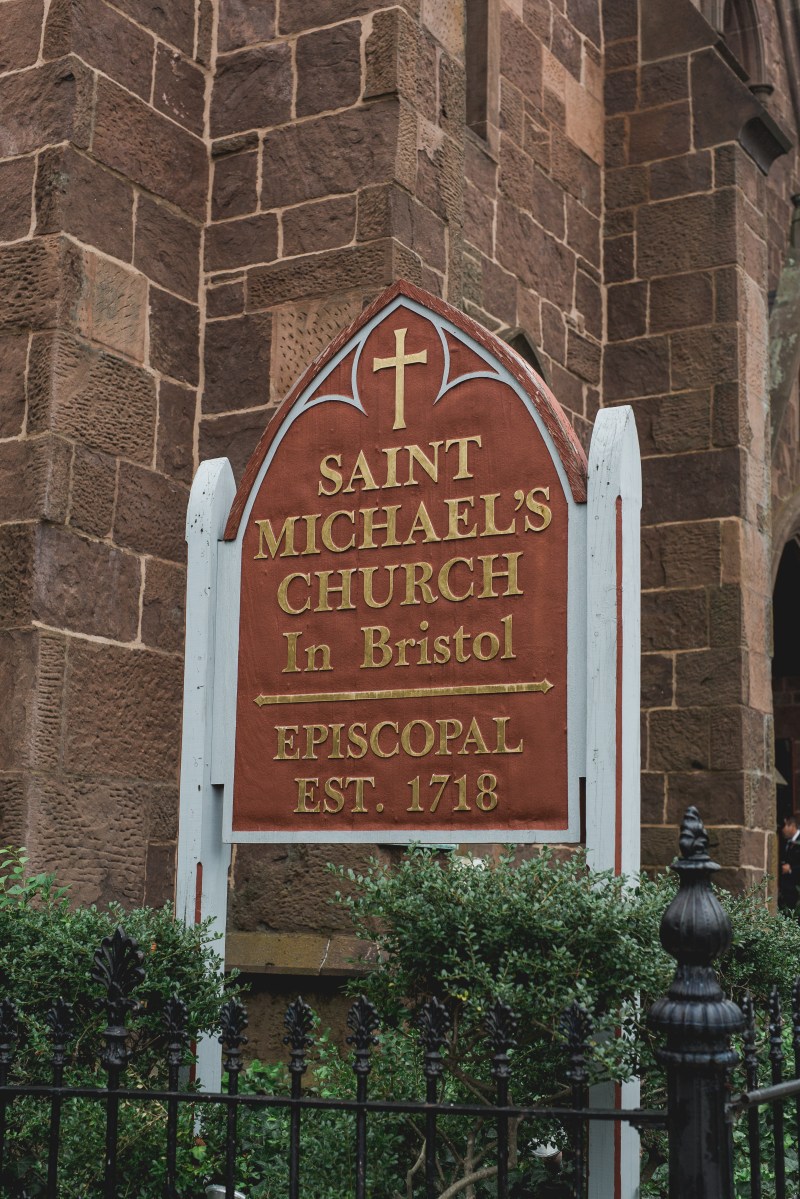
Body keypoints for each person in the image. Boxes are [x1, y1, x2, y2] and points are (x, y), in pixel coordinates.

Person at [779, 812, 800, 912]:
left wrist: (791, 869)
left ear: (792, 826)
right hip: (787, 890)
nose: (782, 830)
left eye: (784, 826)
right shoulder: (785, 842)